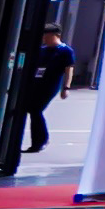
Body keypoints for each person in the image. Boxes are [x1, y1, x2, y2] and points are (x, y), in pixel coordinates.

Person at [18, 15, 75, 156]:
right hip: (36, 83)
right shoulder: (42, 50)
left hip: (50, 85)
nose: (44, 38)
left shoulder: (65, 51)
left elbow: (69, 69)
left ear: (56, 35)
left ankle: (40, 141)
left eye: (47, 35)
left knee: (35, 109)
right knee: (31, 109)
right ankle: (37, 141)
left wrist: (66, 87)